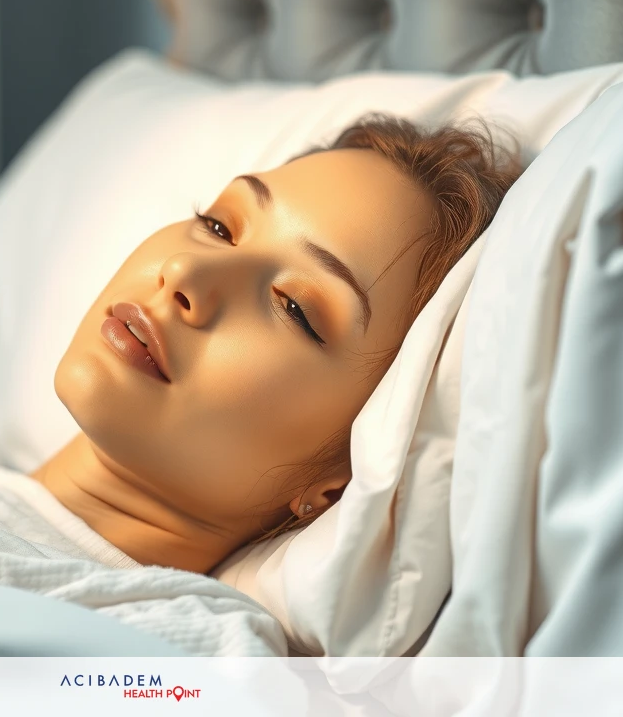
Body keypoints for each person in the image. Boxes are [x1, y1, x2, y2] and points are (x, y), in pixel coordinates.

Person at [31, 114, 519, 574]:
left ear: (337, 478)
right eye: (219, 227)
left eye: (294, 308)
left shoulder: (168, 645)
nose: (184, 270)